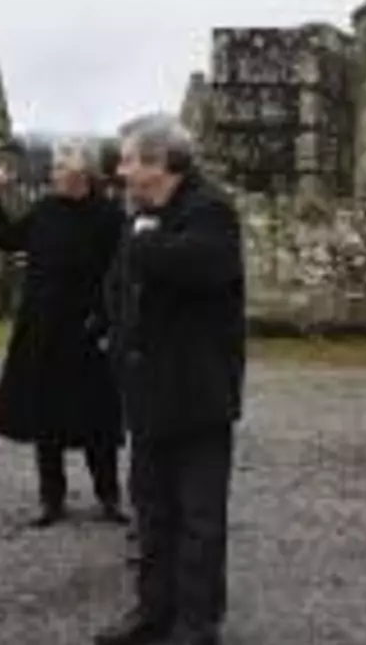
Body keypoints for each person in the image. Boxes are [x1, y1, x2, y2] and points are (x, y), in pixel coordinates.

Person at [95, 114, 244, 645]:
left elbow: (201, 266)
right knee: (152, 511)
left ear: (160, 163)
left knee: (199, 518)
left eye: (128, 161)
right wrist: (109, 334)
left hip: (197, 392)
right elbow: (118, 285)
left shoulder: (210, 210)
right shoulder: (142, 215)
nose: (120, 171)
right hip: (148, 390)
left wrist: (142, 240)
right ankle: (153, 611)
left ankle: (196, 625)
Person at [0, 141, 128, 528]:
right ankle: (52, 499)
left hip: (89, 329)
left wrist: (105, 319)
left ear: (82, 174)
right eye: (56, 166)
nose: (54, 173)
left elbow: (119, 274)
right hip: (44, 327)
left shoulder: (109, 216)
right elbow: (9, 238)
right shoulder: (45, 210)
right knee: (46, 418)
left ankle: (109, 496)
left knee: (98, 418)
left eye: (61, 167)